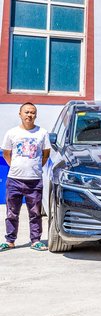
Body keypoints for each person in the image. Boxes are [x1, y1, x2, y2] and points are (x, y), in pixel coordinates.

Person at [1, 102, 51, 252]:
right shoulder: (12, 133)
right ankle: (10, 241)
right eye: (27, 112)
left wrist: (34, 168)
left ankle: (35, 241)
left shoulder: (42, 133)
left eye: (32, 112)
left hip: (34, 181)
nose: (30, 115)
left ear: (36, 115)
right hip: (14, 180)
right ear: (20, 114)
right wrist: (16, 167)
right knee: (11, 213)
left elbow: (46, 154)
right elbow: (6, 153)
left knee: (35, 213)